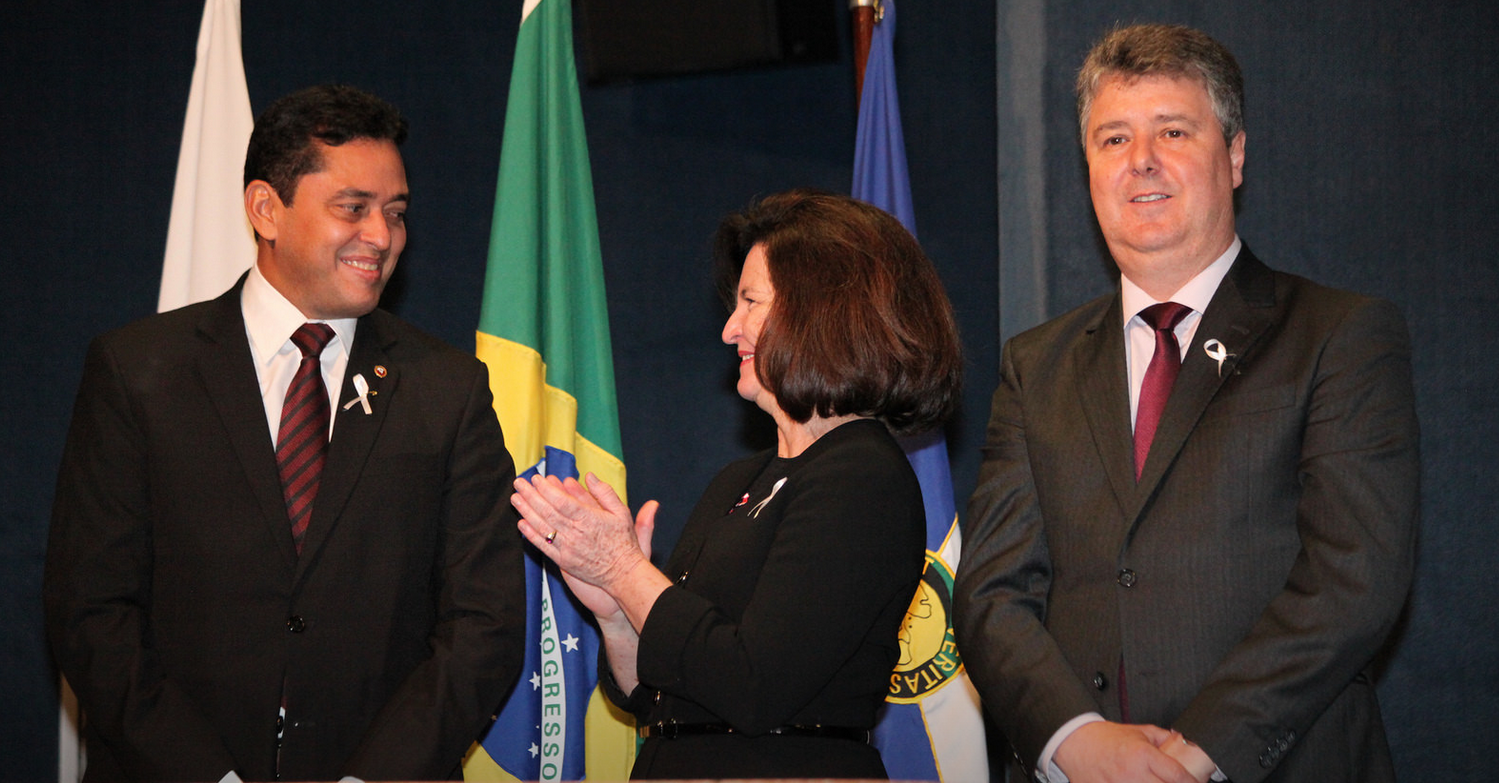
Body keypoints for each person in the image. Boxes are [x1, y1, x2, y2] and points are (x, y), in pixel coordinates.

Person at [954, 23, 1419, 783]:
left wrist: (1197, 751)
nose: (1139, 160)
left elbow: (1353, 577)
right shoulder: (1034, 365)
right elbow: (990, 592)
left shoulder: (1337, 335)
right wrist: (1075, 740)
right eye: (1112, 139)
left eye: (1171, 130)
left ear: (1233, 155)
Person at [43, 85, 525, 782]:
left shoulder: (446, 388)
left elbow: (485, 623)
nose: (383, 236)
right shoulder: (138, 369)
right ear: (266, 209)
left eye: (395, 212)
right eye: (352, 208)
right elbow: (90, 610)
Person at [510, 190, 963, 779]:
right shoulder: (738, 480)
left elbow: (753, 685)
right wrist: (615, 609)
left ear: (821, 311)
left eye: (751, 301)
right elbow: (652, 698)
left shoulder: (863, 476)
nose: (729, 330)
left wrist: (625, 570)